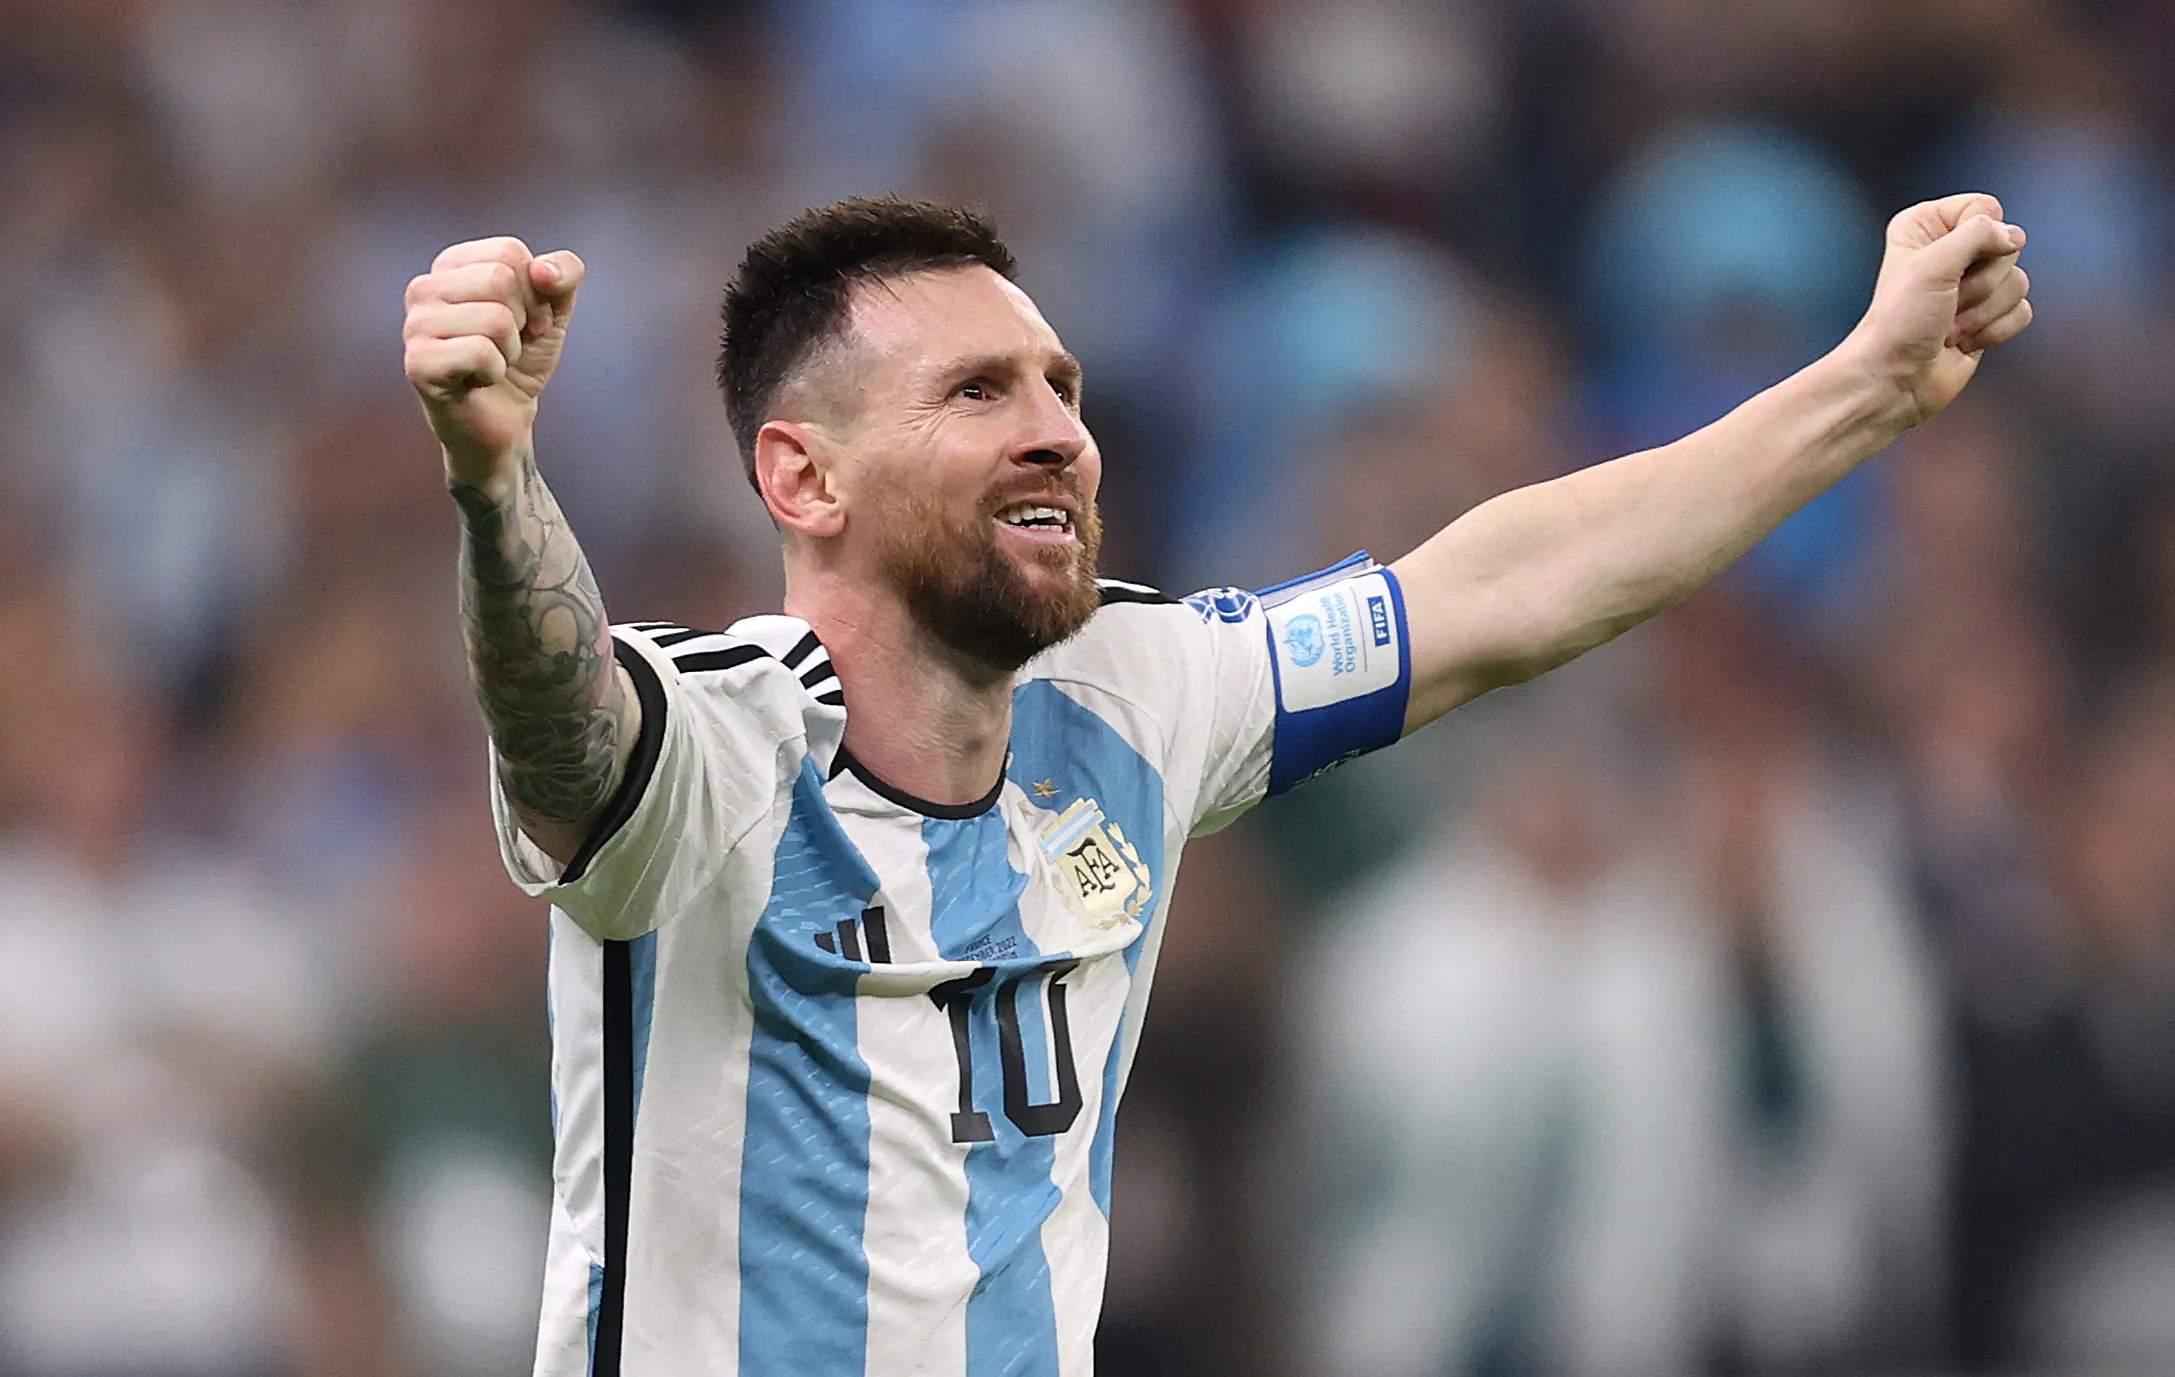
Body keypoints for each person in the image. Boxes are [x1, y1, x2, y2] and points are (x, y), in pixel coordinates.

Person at [399, 193, 2031, 1375]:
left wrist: (1864, 389)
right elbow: (560, 718)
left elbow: (1509, 587)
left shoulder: (1141, 695)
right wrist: (494, 475)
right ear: (801, 474)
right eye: (978, 393)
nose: (1054, 431)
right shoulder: (713, 749)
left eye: (1062, 389)